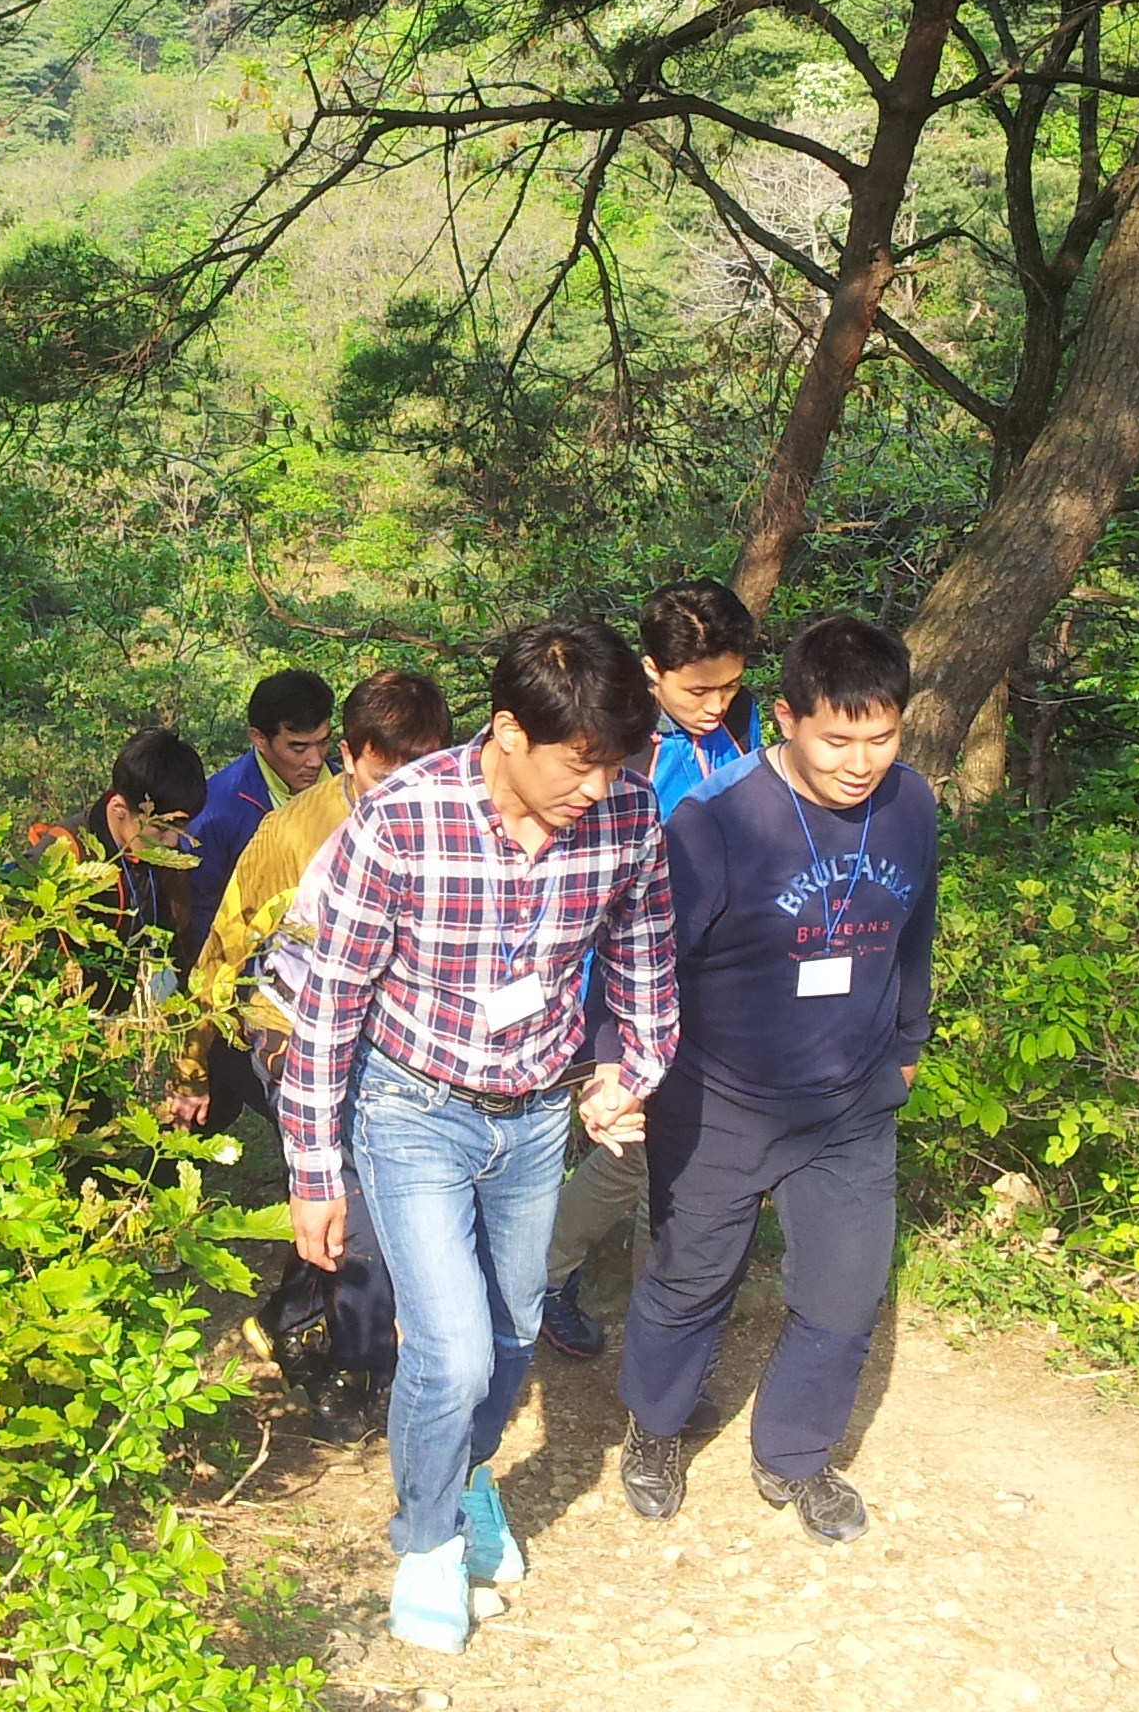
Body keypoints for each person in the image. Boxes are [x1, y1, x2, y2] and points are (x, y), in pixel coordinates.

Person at [282, 621, 677, 1655]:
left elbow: (644, 961)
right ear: (508, 731)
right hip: (412, 1108)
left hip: (536, 1116)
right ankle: (425, 1543)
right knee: (450, 1350)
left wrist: (626, 1073)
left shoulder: (630, 816)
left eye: (614, 764)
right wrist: (315, 1170)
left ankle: (467, 1480)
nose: (598, 787)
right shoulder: (404, 819)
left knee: (509, 1333)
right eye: (579, 763)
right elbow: (328, 1005)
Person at [613, 614, 937, 1548]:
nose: (861, 763)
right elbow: (646, 955)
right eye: (837, 740)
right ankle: (657, 1424)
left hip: (850, 1102)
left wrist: (908, 1038)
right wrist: (627, 1065)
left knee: (845, 1291)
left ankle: (796, 1453)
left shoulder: (911, 804)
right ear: (787, 718)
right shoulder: (716, 820)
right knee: (690, 1277)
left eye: (882, 738)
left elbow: (915, 928)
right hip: (721, 1097)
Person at [167, 669, 455, 1434]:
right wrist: (191, 1064)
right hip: (292, 1034)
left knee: (364, 1197)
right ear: (352, 758)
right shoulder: (293, 834)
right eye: (389, 778)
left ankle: (290, 1320)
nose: (408, 796)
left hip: (396, 1044)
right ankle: (358, 1370)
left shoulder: (457, 819)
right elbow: (225, 949)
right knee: (364, 1200)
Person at [542, 579, 766, 1359]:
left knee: (653, 1157)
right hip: (625, 982)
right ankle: (579, 1293)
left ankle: (585, 1296)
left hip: (718, 975)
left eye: (729, 685)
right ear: (650, 671)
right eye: (698, 690)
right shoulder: (623, 746)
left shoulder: (741, 718)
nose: (716, 704)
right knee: (644, 1155)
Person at [180, 668, 334, 977]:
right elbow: (203, 916)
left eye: (323, 743)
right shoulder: (218, 810)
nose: (315, 760)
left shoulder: (348, 790)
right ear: (259, 739)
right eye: (298, 748)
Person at [74, 727, 206, 1005]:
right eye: (162, 828)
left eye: (182, 827)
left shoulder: (166, 855)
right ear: (119, 809)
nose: (173, 841)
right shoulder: (70, 857)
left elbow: (181, 939)